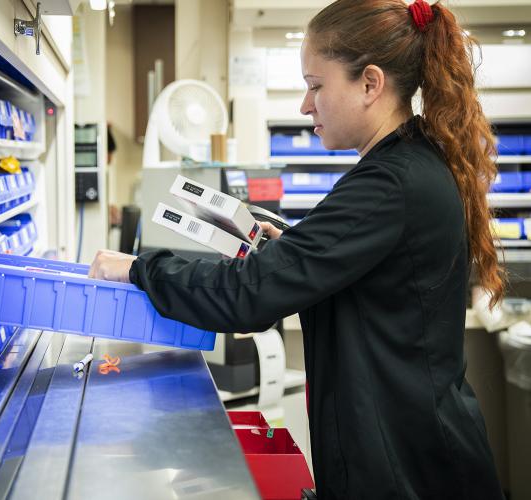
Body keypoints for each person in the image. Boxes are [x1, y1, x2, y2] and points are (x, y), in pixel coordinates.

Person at [88, 0, 505, 498]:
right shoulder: (407, 167)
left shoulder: (391, 184)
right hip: (409, 453)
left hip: (408, 471)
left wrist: (138, 268)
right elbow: (362, 281)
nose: (306, 106)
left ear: (370, 84)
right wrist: (296, 253)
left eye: (315, 86)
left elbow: (247, 295)